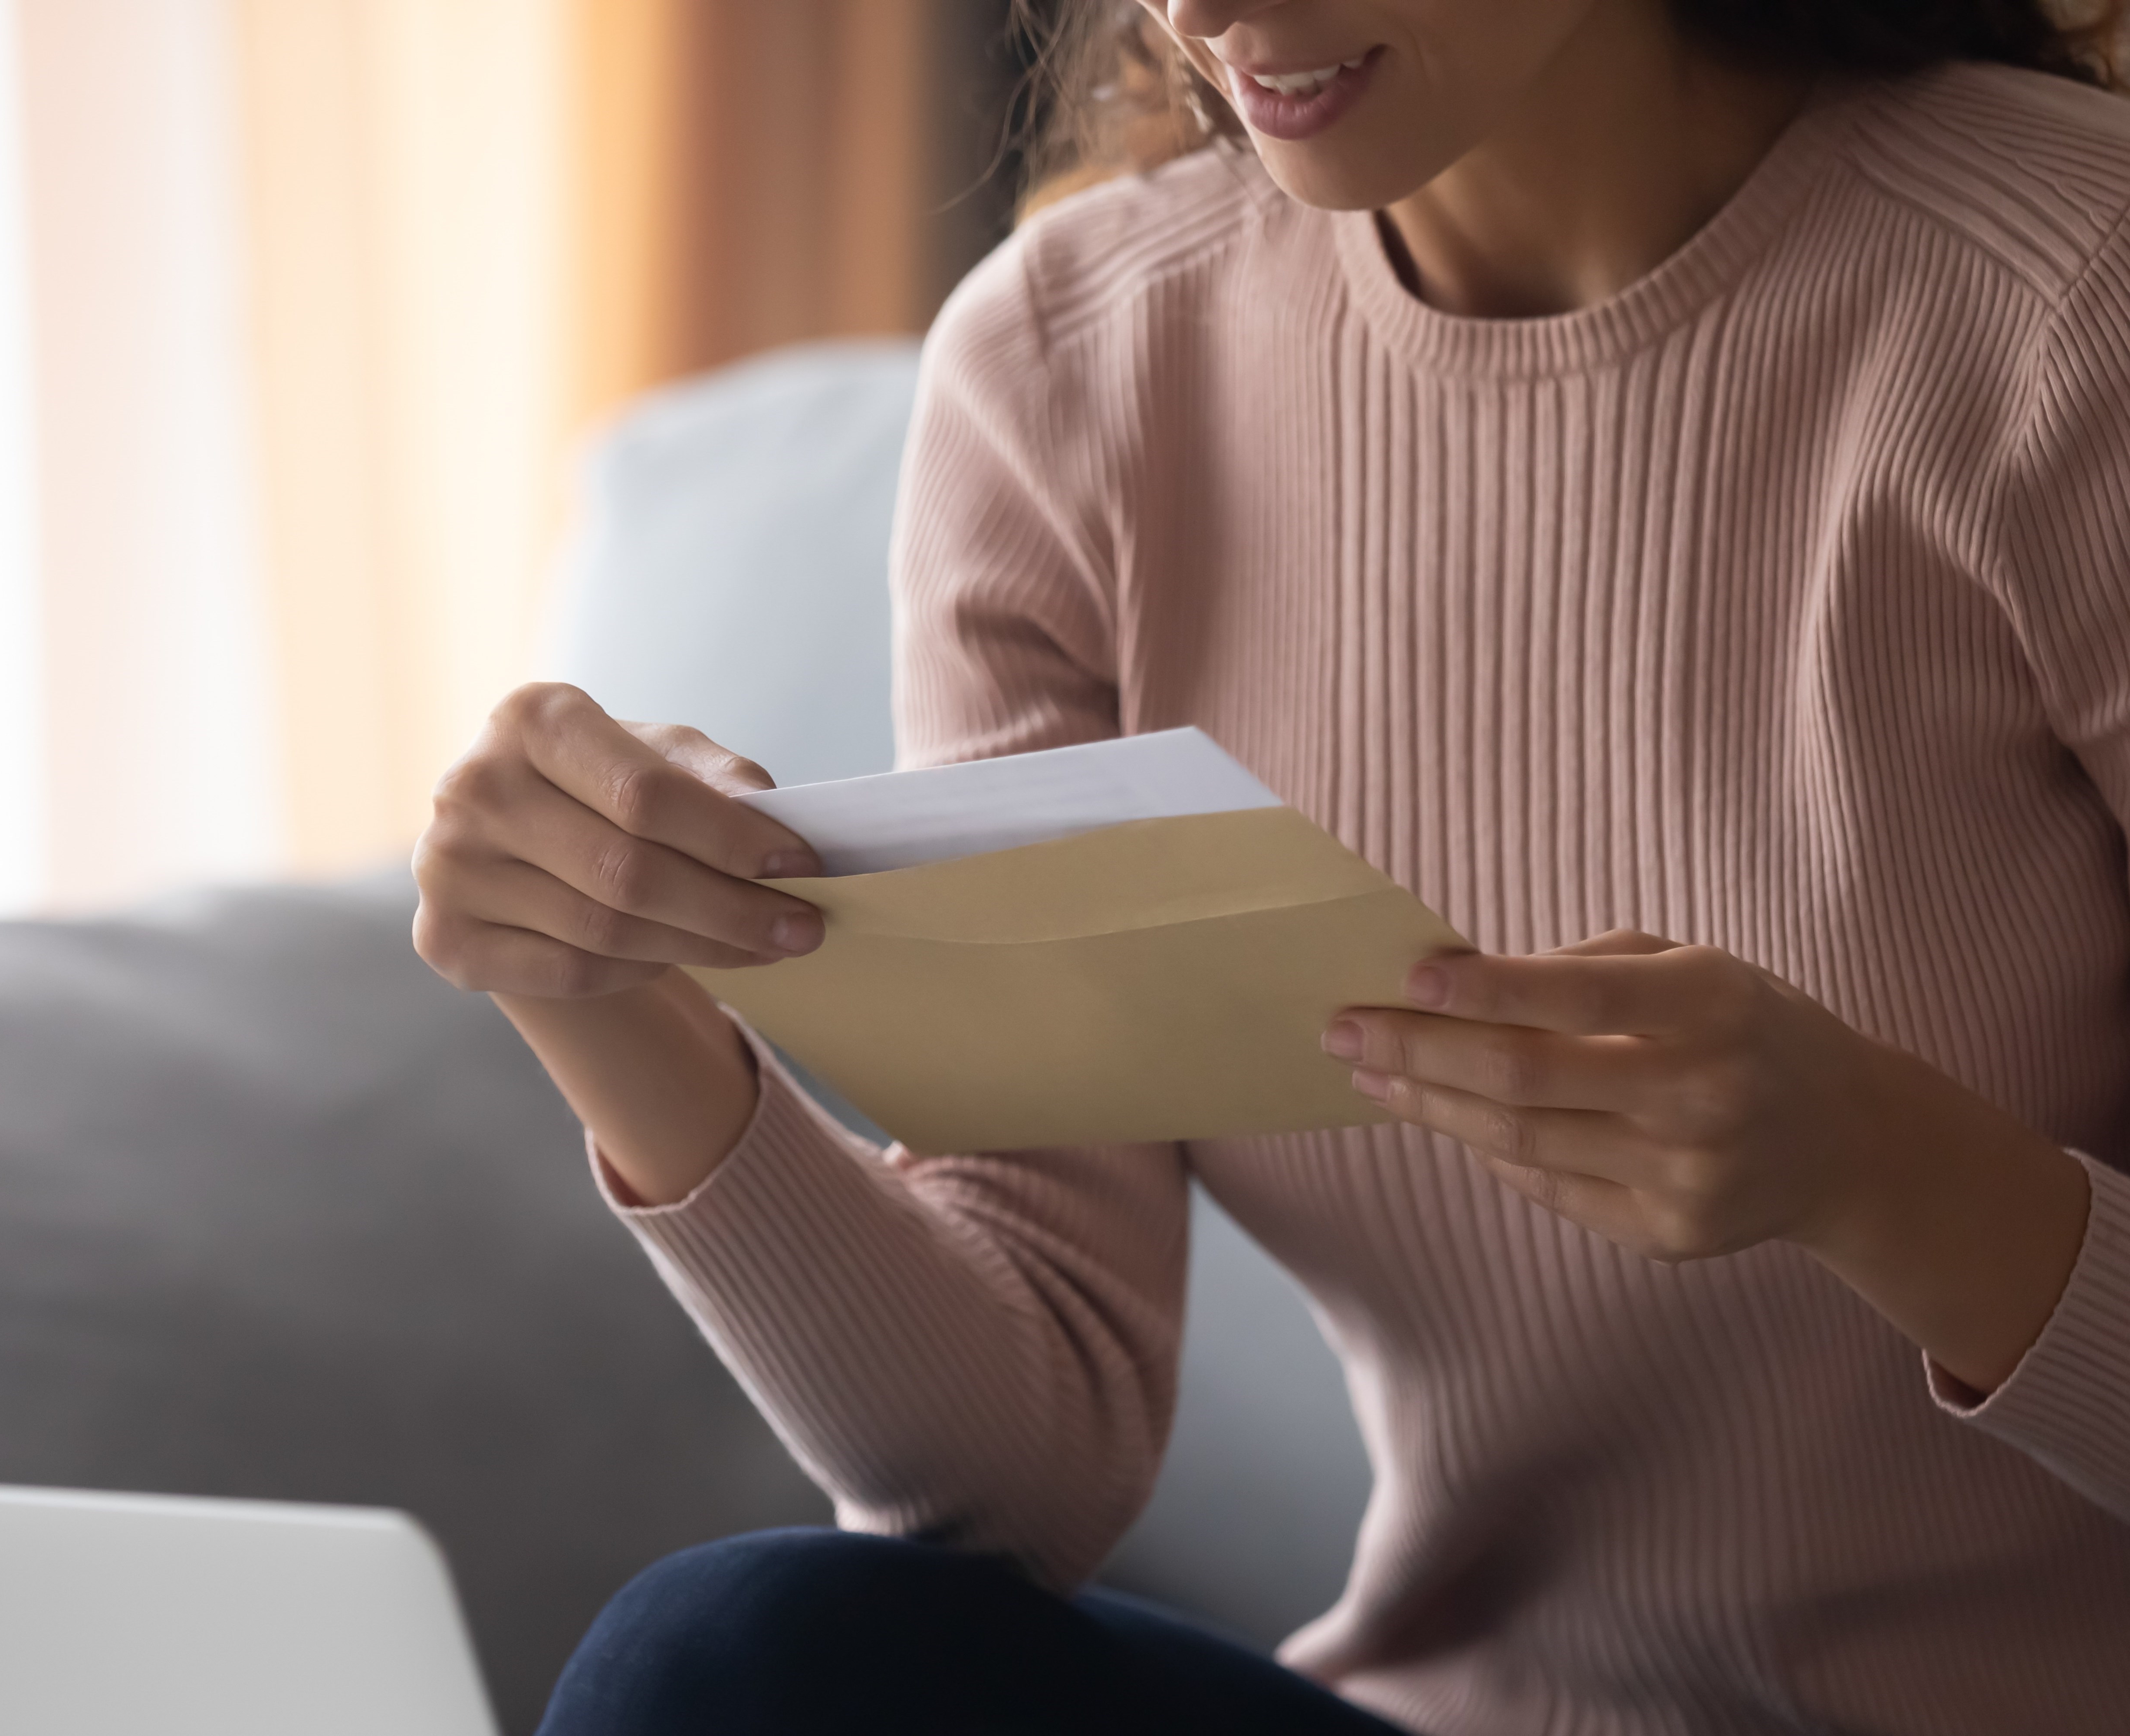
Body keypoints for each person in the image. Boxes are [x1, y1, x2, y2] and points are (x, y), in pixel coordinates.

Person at [412, 0, 2130, 1728]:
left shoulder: (2072, 300)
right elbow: (1013, 1478)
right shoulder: (1076, 368)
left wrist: (1887, 1172)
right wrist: (612, 1005)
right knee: (740, 1660)